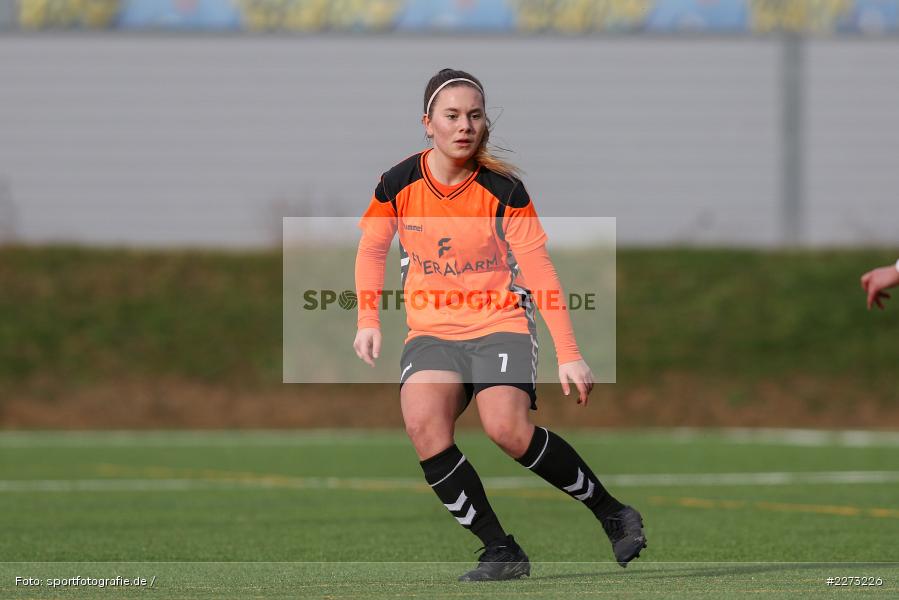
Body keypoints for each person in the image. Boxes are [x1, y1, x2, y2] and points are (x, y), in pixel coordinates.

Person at [352, 68, 646, 581]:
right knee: (424, 426)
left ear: (484, 123)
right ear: (428, 123)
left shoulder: (504, 190)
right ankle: (501, 551)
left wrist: (569, 352)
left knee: (506, 430)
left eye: (474, 115)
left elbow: (539, 270)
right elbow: (373, 246)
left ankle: (612, 512)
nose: (464, 125)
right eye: (452, 116)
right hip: (432, 333)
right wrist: (367, 318)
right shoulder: (397, 183)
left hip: (499, 323)